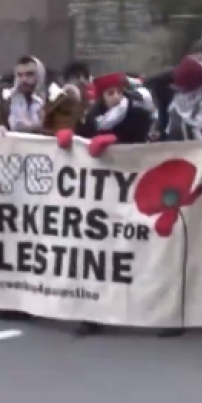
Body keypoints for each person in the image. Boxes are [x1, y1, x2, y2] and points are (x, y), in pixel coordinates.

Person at [55, 72, 156, 336]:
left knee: (125, 249)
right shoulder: (92, 117)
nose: (114, 97)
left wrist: (117, 144)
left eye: (118, 92)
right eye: (109, 93)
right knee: (98, 253)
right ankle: (93, 313)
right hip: (97, 196)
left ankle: (132, 302)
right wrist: (69, 139)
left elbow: (142, 145)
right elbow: (81, 138)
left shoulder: (138, 115)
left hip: (127, 192)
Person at [0, 56, 46, 133]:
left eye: (29, 74)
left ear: (39, 76)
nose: (24, 79)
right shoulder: (2, 101)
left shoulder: (46, 104)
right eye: (19, 75)